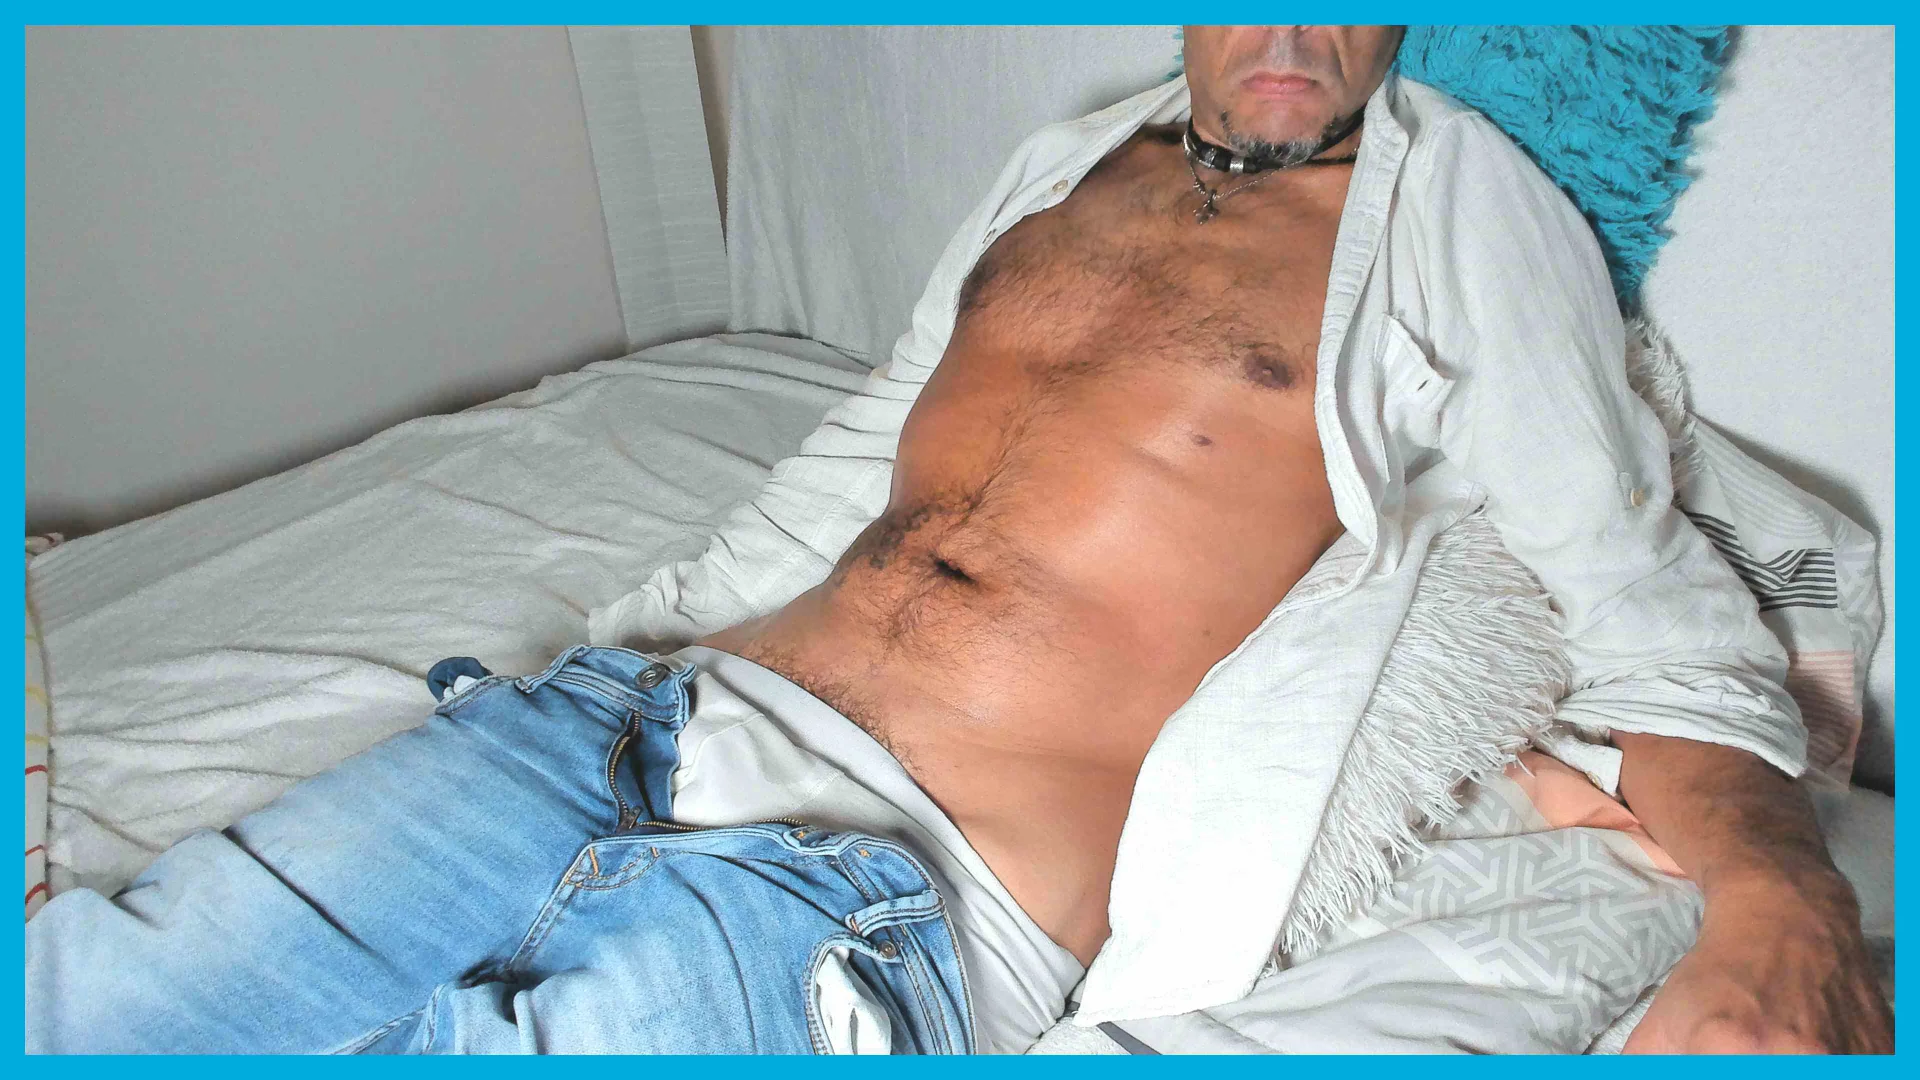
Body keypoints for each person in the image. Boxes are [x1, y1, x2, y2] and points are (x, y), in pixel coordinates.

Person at [26, 25, 1891, 1054]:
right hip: (598, 731)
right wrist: (625, 638)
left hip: (884, 885)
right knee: (91, 1008)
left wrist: (1783, 905)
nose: (1297, 32)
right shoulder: (1061, 164)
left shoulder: (1453, 204)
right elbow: (862, 451)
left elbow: (1647, 604)